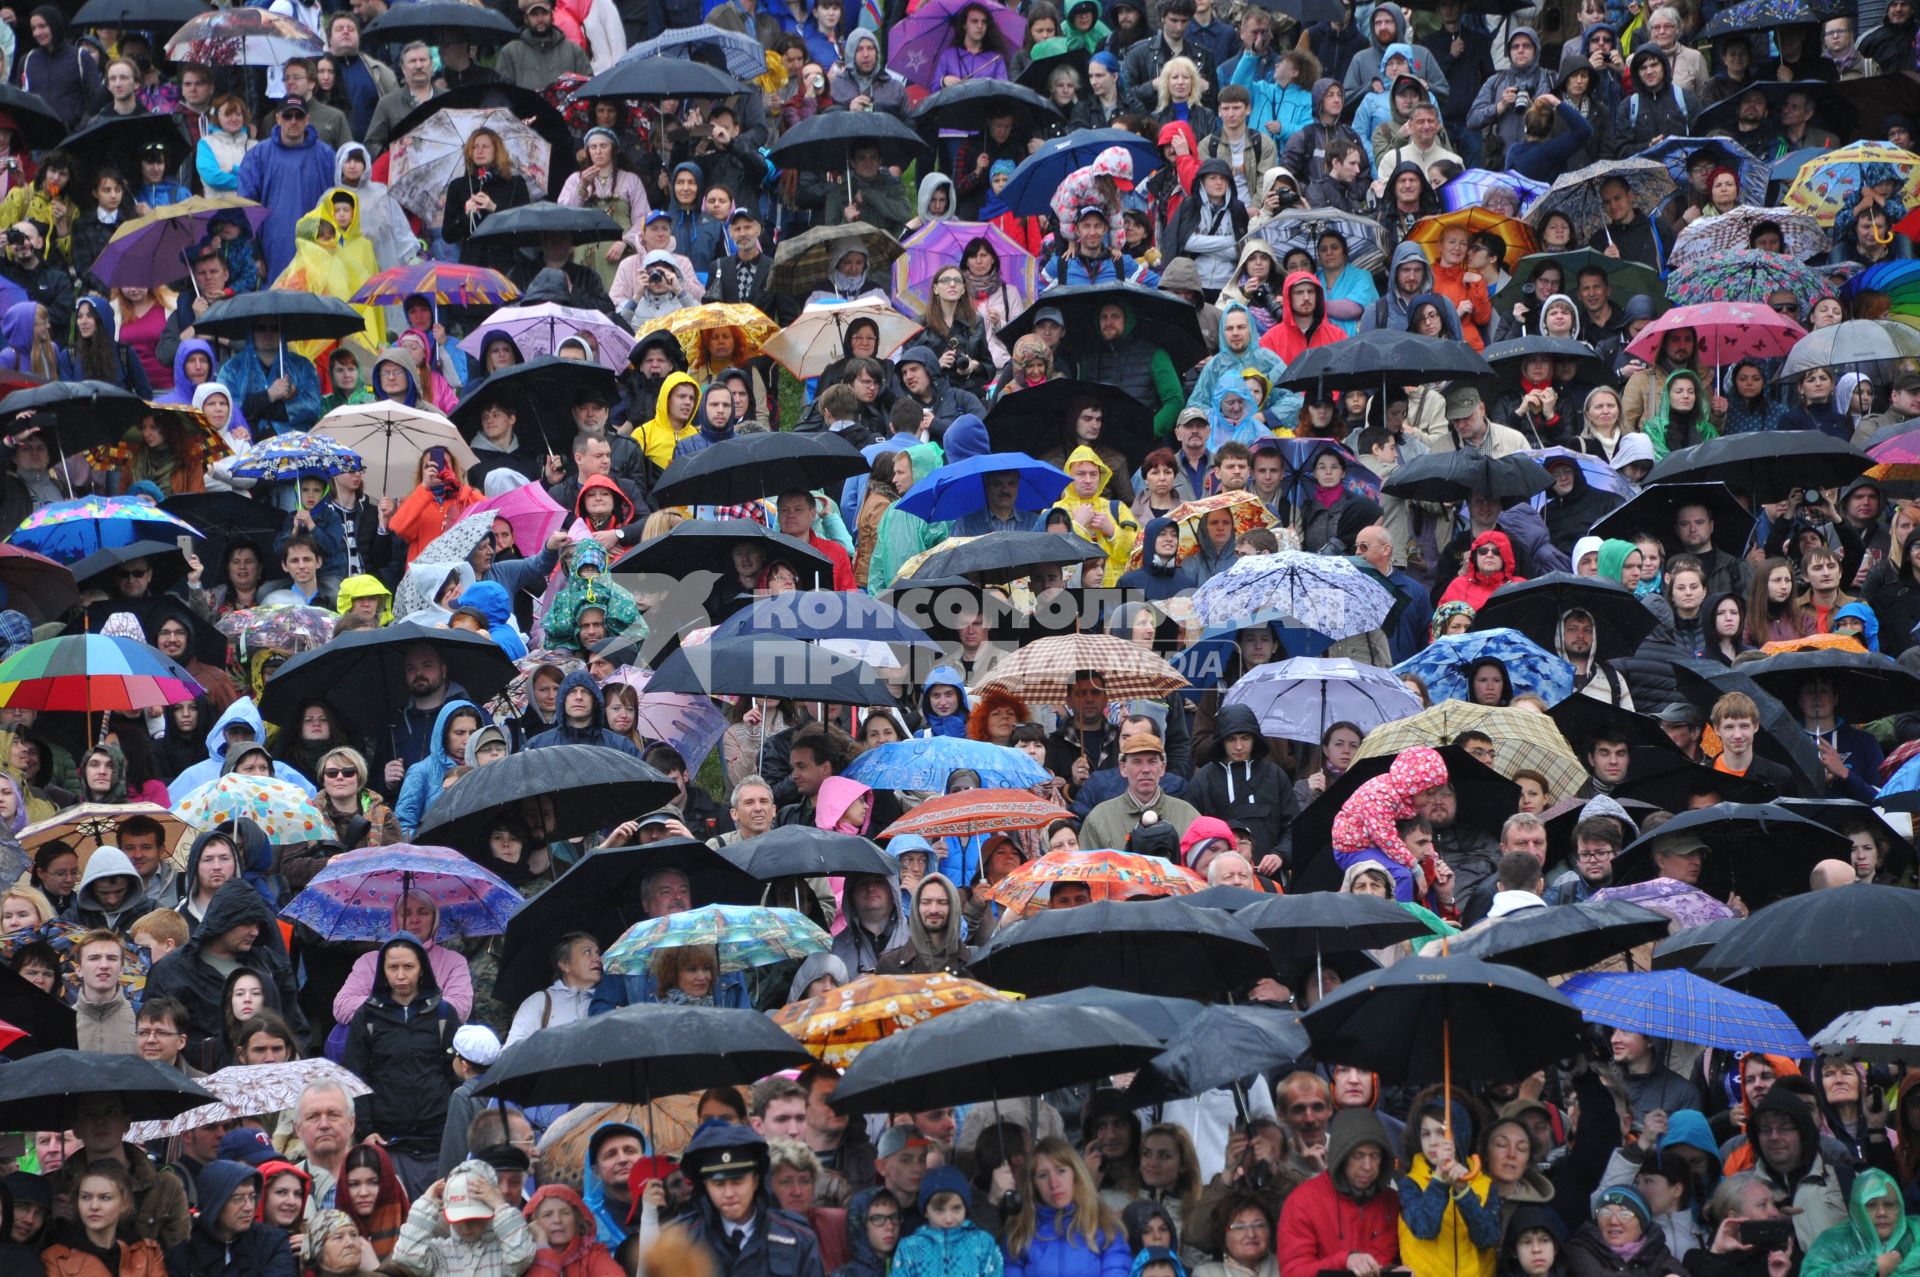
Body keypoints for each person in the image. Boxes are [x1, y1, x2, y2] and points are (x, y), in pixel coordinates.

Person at [1277, 1107, 1400, 1277]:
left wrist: (1398, 1270)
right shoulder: (1302, 1201)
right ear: (1341, 1156)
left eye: (1375, 1156)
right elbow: (1292, 1273)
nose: (1367, 1166)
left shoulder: (1392, 1201)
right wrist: (1345, 1261)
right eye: (1358, 1155)